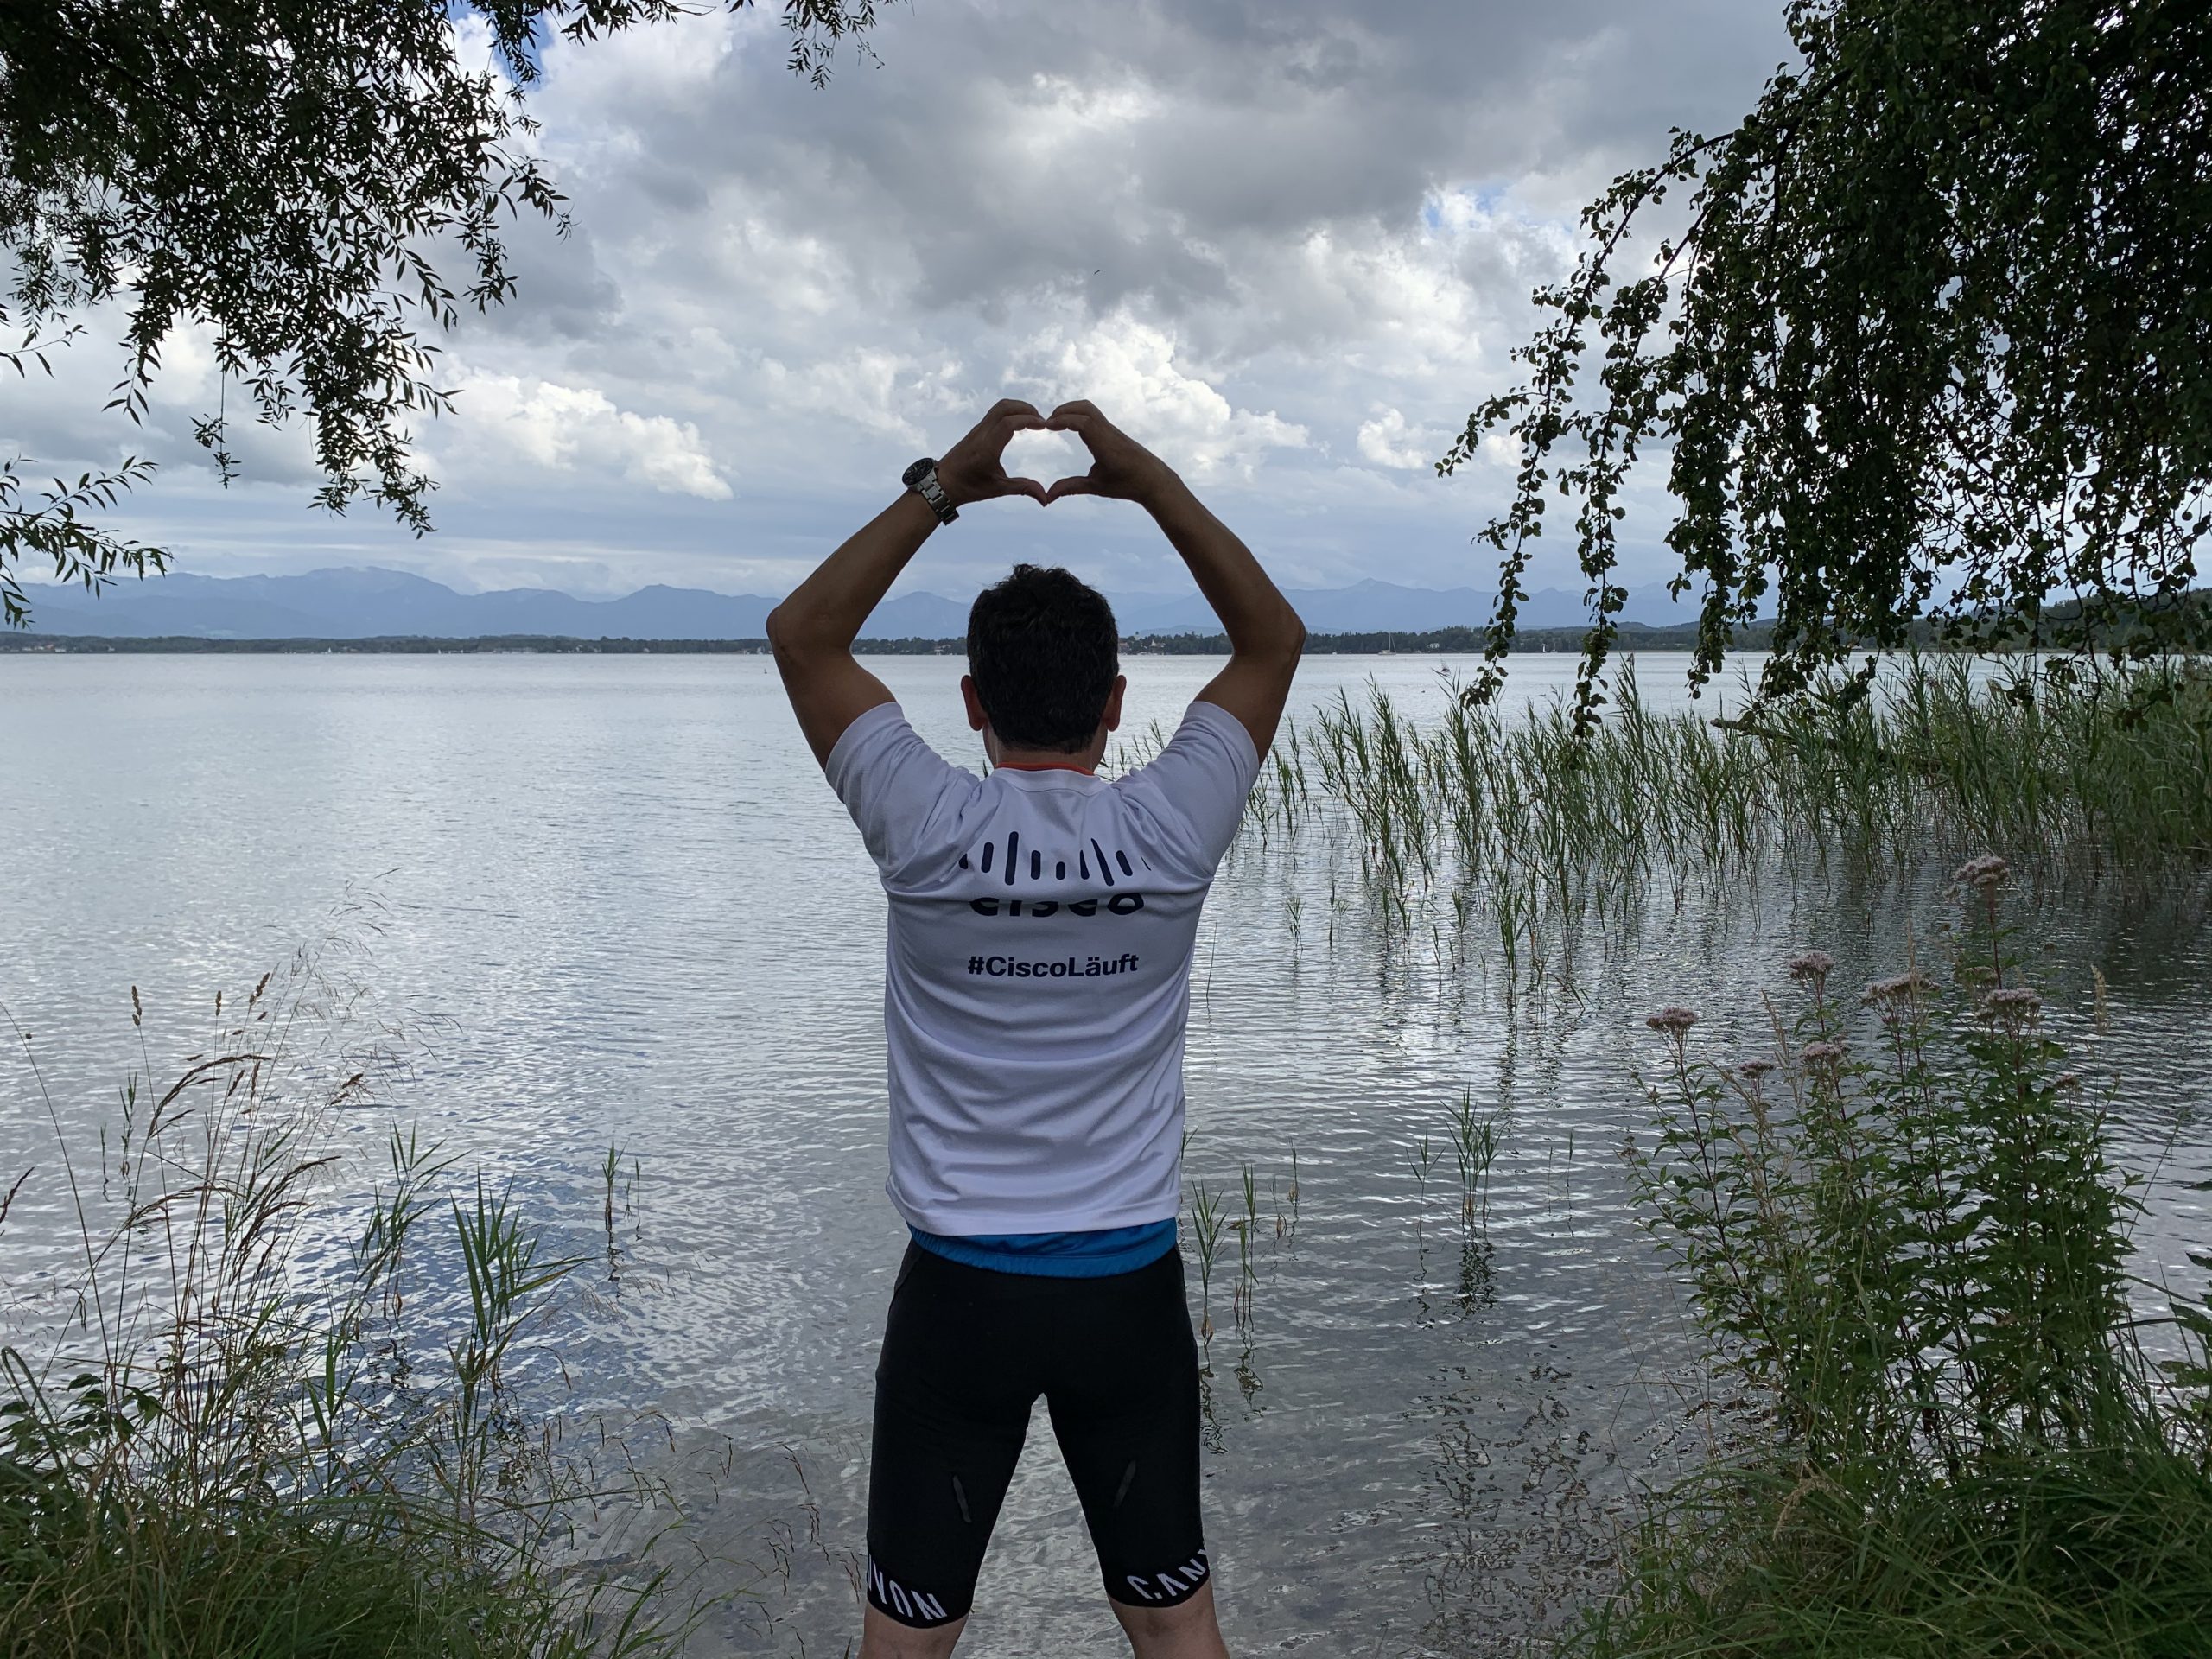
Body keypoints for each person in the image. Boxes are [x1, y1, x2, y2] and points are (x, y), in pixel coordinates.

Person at [766, 398, 1305, 1658]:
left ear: (969, 701)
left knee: (905, 1642)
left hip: (960, 1296)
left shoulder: (926, 823)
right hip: (1125, 1294)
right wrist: (1149, 481)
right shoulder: (1172, 826)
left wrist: (944, 486)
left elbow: (802, 633)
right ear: (1118, 705)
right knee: (1178, 1632)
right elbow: (1273, 638)